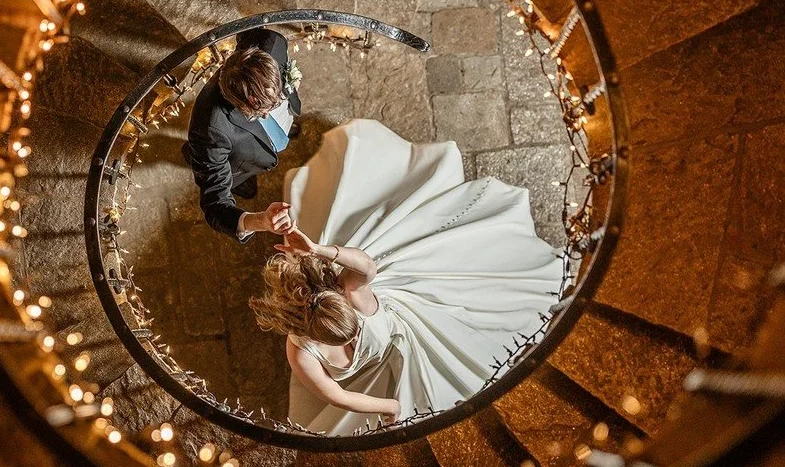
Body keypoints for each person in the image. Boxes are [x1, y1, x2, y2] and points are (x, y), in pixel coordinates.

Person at [248, 119, 563, 435]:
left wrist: (320, 249)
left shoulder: (353, 293)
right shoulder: (300, 354)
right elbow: (338, 395)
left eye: (353, 330)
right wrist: (390, 407)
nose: (356, 339)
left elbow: (368, 268)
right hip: (374, 374)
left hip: (404, 338)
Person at [182, 28, 303, 242]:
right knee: (229, 170)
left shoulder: (271, 43)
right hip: (234, 158)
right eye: (262, 111)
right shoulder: (211, 130)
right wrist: (260, 221)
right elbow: (215, 206)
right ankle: (202, 160)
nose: (268, 113)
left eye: (273, 103)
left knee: (274, 136)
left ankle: (276, 137)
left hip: (265, 129)